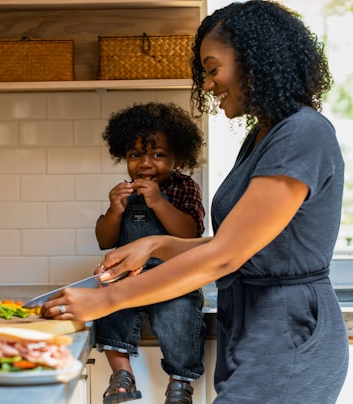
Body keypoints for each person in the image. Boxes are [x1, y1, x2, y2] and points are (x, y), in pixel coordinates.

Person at [41, 1, 349, 403]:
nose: (207, 84)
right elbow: (249, 244)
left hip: (289, 333)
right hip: (255, 328)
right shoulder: (262, 137)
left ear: (254, 60)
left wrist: (105, 300)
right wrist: (156, 244)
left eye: (213, 68)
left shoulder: (301, 134)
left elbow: (226, 256)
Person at [94, 101, 206, 404]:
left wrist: (158, 202)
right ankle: (122, 375)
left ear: (177, 156)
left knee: (179, 316)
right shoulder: (125, 192)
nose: (145, 164)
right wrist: (115, 211)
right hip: (131, 277)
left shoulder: (185, 188)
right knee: (108, 305)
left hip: (174, 280)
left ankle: (180, 383)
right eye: (135, 155)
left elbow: (191, 233)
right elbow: (105, 239)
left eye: (158, 154)